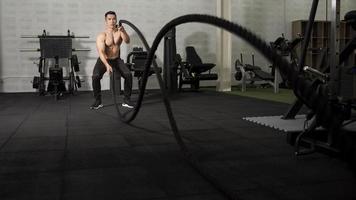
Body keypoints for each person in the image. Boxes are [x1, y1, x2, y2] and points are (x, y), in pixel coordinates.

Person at [91, 11, 133, 109]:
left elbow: (127, 41)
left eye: (114, 19)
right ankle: (98, 101)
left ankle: (126, 100)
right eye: (109, 19)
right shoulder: (102, 35)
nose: (112, 21)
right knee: (95, 77)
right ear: (106, 21)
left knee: (128, 75)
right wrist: (106, 65)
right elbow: (101, 52)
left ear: (116, 20)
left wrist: (123, 31)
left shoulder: (119, 32)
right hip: (104, 59)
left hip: (116, 59)